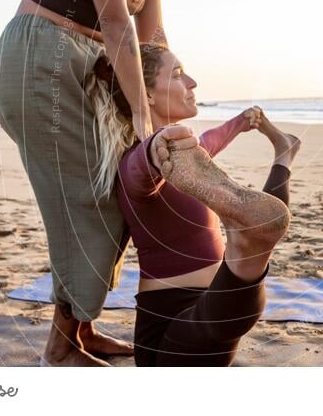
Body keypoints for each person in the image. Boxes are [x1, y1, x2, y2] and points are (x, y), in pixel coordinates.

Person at [0, 0, 235, 367]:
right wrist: (145, 120)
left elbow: (153, 38)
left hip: (99, 73)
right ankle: (62, 346)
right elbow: (118, 23)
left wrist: (174, 85)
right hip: (43, 61)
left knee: (122, 191)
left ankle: (81, 327)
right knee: (91, 199)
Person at [91, 45, 301, 366]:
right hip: (167, 322)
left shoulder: (191, 154)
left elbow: (213, 140)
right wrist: (155, 145)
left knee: (242, 269)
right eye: (177, 74)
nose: (192, 82)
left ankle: (247, 250)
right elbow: (141, 168)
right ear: (146, 95)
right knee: (222, 311)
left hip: (216, 298)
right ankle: (246, 256)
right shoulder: (135, 160)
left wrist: (240, 121)